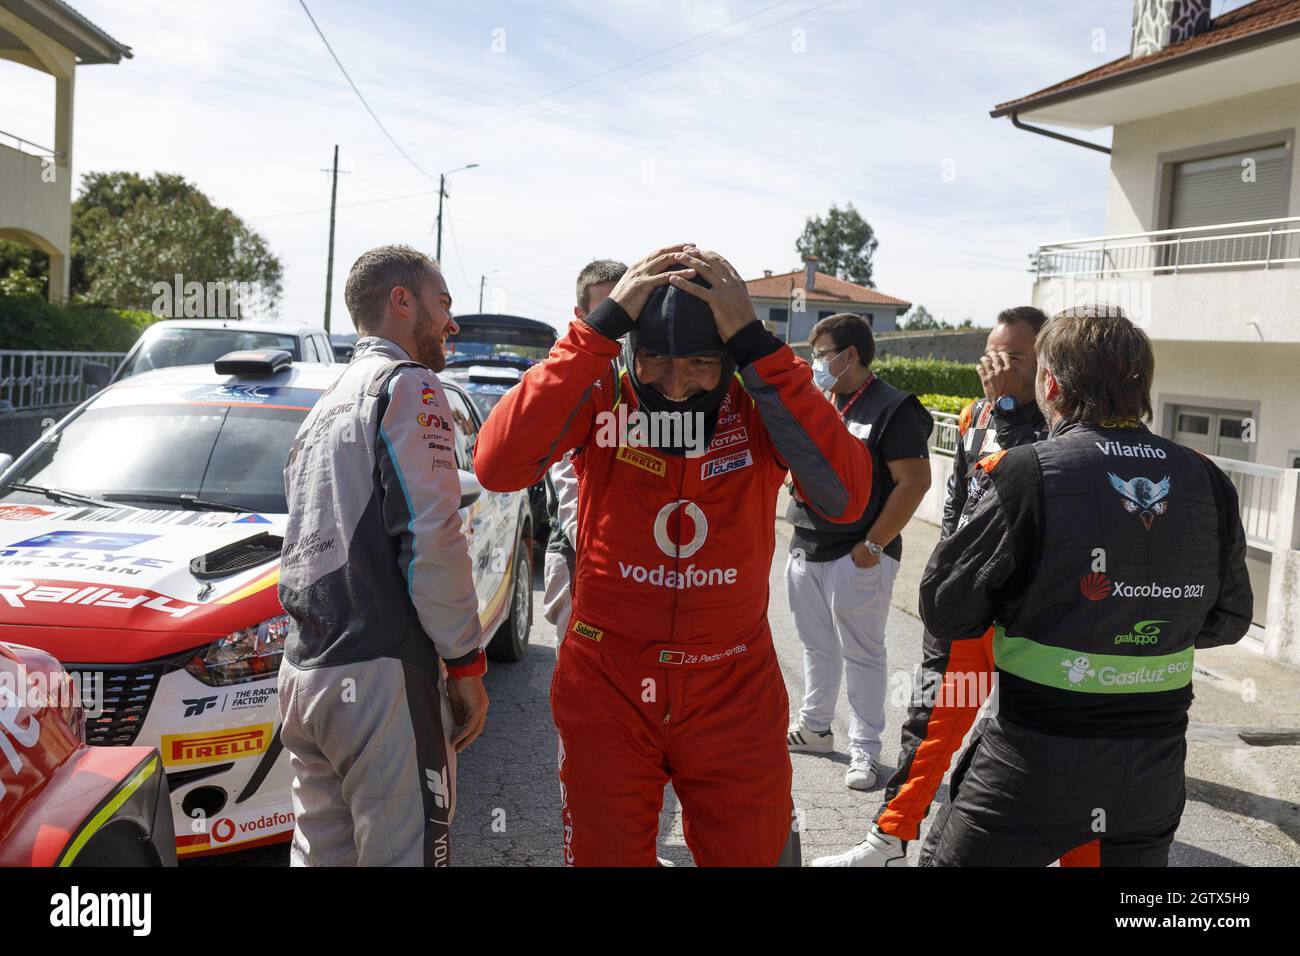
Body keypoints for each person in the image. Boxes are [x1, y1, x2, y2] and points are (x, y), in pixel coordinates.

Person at [474, 243, 872, 866]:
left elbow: (847, 498)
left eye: (701, 364)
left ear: (730, 358)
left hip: (732, 685)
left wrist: (762, 350)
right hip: (608, 681)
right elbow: (497, 465)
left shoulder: (760, 403)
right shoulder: (604, 396)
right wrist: (594, 334)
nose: (678, 386)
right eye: (656, 361)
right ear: (632, 351)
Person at [915, 305, 1252, 867]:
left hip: (1030, 766)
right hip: (1152, 776)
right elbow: (1229, 619)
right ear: (1141, 386)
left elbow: (946, 608)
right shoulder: (1208, 478)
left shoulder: (1023, 470)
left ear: (1050, 384)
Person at [812, 306, 1096, 866]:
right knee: (930, 721)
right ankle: (888, 840)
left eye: (1016, 357)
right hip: (971, 606)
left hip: (1032, 613)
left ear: (1046, 368)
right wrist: (947, 567)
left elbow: (1029, 485)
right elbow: (959, 500)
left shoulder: (1059, 424)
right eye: (993, 353)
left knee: (1053, 742)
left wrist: (1014, 412)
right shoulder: (973, 416)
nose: (998, 366)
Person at [277, 245, 489, 866]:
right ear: (402, 301)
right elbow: (433, 536)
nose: (452, 323)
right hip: (382, 676)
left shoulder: (318, 410)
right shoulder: (411, 385)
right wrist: (468, 663)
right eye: (443, 303)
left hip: (304, 675)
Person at [784, 313, 932, 793]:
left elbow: (915, 482)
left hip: (859, 552)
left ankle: (866, 750)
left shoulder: (894, 408)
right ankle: (816, 727)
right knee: (816, 645)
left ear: (850, 355)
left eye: (822, 353)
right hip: (807, 544)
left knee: (863, 653)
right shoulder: (820, 400)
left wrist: (873, 546)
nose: (816, 362)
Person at [541, 259, 628, 640]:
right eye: (610, 311)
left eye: (628, 308)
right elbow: (567, 483)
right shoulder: (569, 377)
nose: (622, 323)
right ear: (581, 315)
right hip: (582, 556)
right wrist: (604, 556)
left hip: (639, 565)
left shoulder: (651, 370)